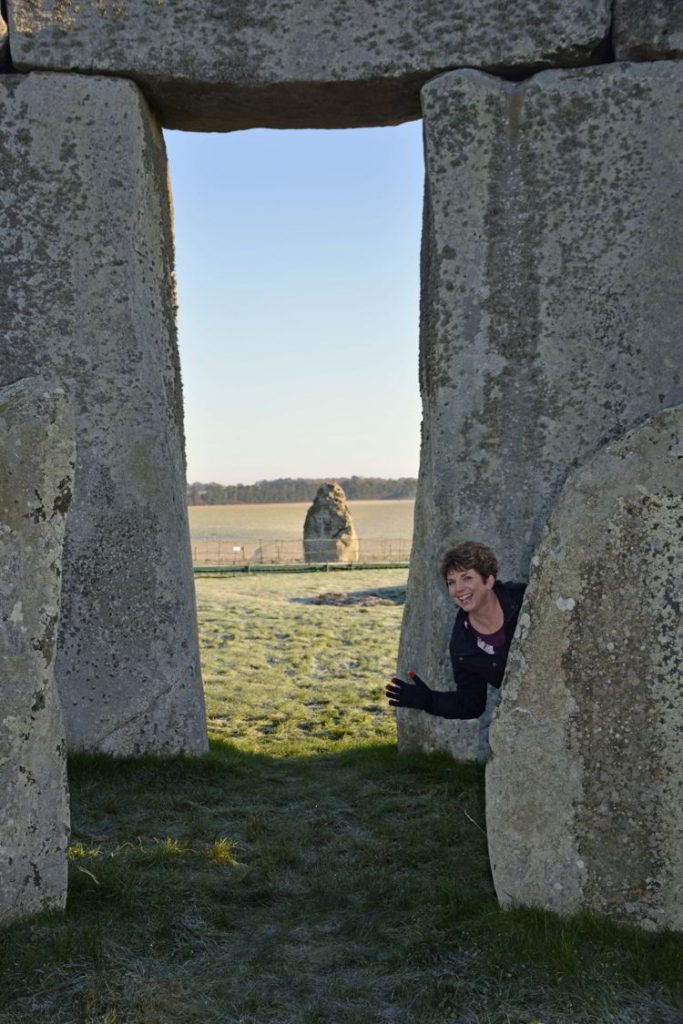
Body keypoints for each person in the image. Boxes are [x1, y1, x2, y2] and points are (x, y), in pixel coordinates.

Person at [385, 542, 525, 742]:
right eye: (451, 582)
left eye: (467, 578)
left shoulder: (525, 599)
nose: (458, 589)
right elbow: (470, 704)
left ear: (489, 580)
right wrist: (428, 700)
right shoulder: (463, 645)